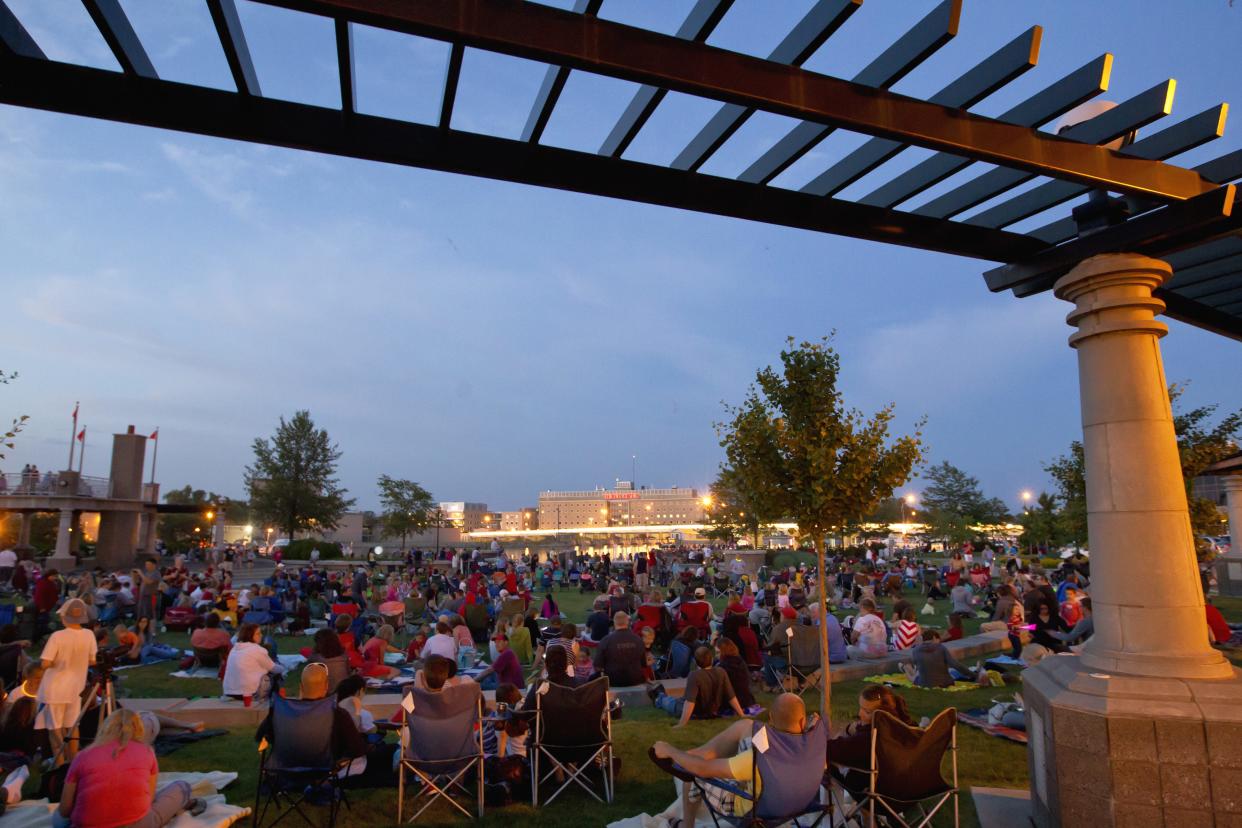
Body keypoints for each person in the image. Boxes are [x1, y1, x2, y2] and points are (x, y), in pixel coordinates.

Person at [652, 694, 812, 825]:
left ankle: (686, 825)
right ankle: (691, 755)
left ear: (770, 719)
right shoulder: (814, 750)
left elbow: (704, 769)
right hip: (793, 806)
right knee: (747, 725)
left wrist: (669, 750)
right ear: (802, 721)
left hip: (752, 811)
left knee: (692, 775)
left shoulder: (759, 758)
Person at [58, 708, 206, 828]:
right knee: (182, 787)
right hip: (136, 823)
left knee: (58, 819)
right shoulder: (146, 751)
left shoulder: (83, 756)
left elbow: (64, 810)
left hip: (87, 824)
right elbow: (148, 799)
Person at [255, 662, 367, 779]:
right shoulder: (337, 714)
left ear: (301, 687)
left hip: (285, 769)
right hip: (324, 771)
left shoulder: (282, 712)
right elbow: (357, 750)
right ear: (326, 687)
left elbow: (260, 737)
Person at [37, 598, 97, 765]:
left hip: (55, 688)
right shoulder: (89, 634)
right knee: (72, 727)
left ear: (65, 617)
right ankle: (73, 763)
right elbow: (93, 661)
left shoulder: (57, 636)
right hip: (76, 687)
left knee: (55, 729)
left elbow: (45, 663)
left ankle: (59, 764)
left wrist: (53, 662)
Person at [828, 685, 916, 794]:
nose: (860, 714)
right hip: (909, 793)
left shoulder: (867, 739)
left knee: (825, 762)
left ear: (883, 714)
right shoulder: (909, 730)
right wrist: (854, 728)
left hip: (876, 797)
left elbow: (828, 749)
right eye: (860, 707)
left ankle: (836, 809)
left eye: (867, 712)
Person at [648, 645, 746, 727]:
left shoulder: (695, 675)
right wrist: (741, 714)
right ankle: (660, 694)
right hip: (709, 711)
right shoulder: (721, 671)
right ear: (711, 659)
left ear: (695, 662)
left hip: (689, 710)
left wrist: (681, 724)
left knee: (667, 701)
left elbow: (689, 702)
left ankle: (658, 697)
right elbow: (731, 695)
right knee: (672, 700)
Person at [222, 623, 285, 701]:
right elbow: (275, 669)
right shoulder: (257, 650)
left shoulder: (234, 648)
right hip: (250, 694)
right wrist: (282, 667)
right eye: (258, 634)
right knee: (276, 675)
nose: (261, 635)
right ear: (249, 635)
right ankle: (277, 703)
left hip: (230, 692)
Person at [903, 629, 979, 688]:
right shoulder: (940, 648)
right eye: (938, 639)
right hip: (944, 683)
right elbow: (955, 665)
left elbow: (917, 665)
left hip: (923, 683)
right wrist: (973, 675)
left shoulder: (915, 650)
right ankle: (975, 671)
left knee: (916, 674)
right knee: (954, 672)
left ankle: (905, 668)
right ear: (934, 638)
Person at [591, 611, 645, 687]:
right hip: (635, 680)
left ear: (614, 622)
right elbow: (643, 663)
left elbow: (597, 666)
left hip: (613, 682)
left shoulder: (605, 640)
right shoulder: (638, 639)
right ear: (627, 622)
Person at [715, 638, 761, 716]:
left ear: (723, 651)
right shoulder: (740, 661)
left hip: (732, 701)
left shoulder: (724, 667)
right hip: (746, 700)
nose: (716, 655)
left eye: (718, 652)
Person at [305, 628, 352, 693]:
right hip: (343, 691)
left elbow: (308, 677)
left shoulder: (315, 658)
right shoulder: (343, 656)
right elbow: (348, 672)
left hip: (323, 694)